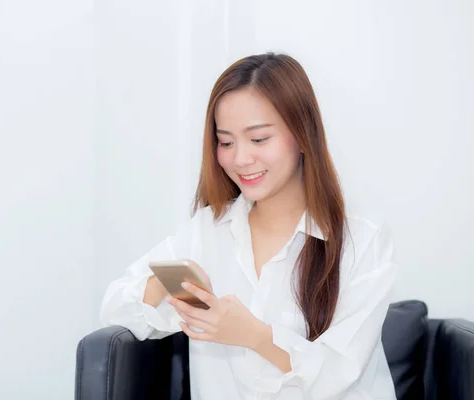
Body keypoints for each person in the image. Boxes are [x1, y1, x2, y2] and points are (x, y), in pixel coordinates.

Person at [100, 52, 398, 399]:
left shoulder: (362, 240)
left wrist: (254, 335)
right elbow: (116, 307)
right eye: (226, 142)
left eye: (259, 139)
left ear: (303, 135)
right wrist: (172, 283)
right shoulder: (207, 230)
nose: (240, 158)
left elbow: (339, 371)